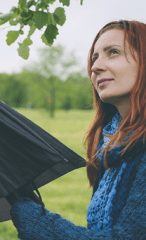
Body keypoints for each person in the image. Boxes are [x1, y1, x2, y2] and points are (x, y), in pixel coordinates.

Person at [10, 20, 146, 239]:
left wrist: (37, 222)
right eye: (94, 58)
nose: (95, 67)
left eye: (113, 52)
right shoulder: (111, 146)